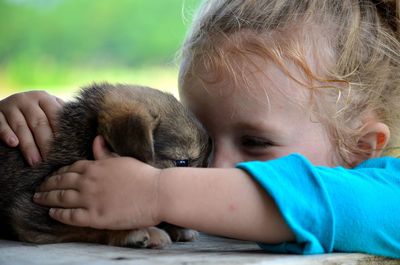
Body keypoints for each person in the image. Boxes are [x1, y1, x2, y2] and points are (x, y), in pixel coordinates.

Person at [1, 0, 400, 259]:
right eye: (203, 138)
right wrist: (32, 125)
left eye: (255, 142)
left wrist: (153, 192)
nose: (213, 167)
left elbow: (311, 197)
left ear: (361, 149)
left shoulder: (389, 199)